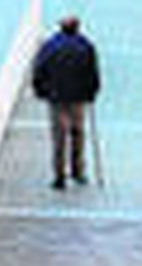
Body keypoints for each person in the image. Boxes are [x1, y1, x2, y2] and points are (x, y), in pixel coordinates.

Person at [31, 16, 102, 190]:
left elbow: (39, 69)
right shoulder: (86, 46)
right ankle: (78, 171)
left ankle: (59, 176)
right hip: (78, 98)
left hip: (56, 98)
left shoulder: (50, 46)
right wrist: (92, 93)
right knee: (78, 133)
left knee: (59, 137)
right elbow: (93, 73)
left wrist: (40, 90)